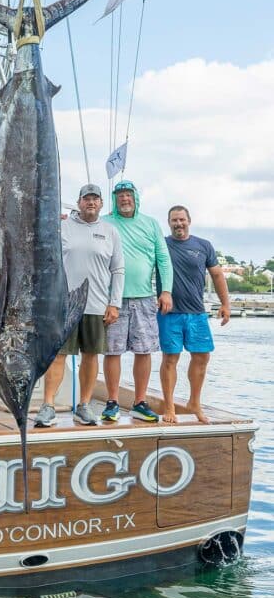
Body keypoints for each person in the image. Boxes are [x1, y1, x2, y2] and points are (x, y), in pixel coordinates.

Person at [35, 184, 124, 427]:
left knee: (91, 356)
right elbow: (46, 260)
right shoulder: (62, 227)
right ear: (79, 202)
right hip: (64, 305)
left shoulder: (110, 231)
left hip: (96, 305)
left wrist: (114, 303)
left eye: (95, 199)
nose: (91, 203)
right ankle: (48, 405)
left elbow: (118, 270)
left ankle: (84, 405)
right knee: (58, 355)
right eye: (87, 199)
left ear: (102, 204)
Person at [102, 180, 173, 423]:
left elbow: (163, 260)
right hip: (113, 299)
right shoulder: (105, 221)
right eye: (120, 195)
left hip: (144, 298)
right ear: (114, 199)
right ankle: (112, 402)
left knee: (144, 351)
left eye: (128, 194)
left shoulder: (151, 224)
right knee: (112, 351)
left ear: (135, 197)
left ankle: (140, 402)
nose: (124, 199)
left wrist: (167, 292)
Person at [158, 205, 230, 424]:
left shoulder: (203, 246)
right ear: (169, 223)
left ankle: (194, 403)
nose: (178, 224)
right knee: (170, 358)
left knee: (202, 357)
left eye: (182, 219)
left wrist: (225, 304)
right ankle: (169, 406)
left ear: (189, 220)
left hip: (197, 312)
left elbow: (217, 275)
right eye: (174, 220)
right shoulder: (161, 244)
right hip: (169, 312)